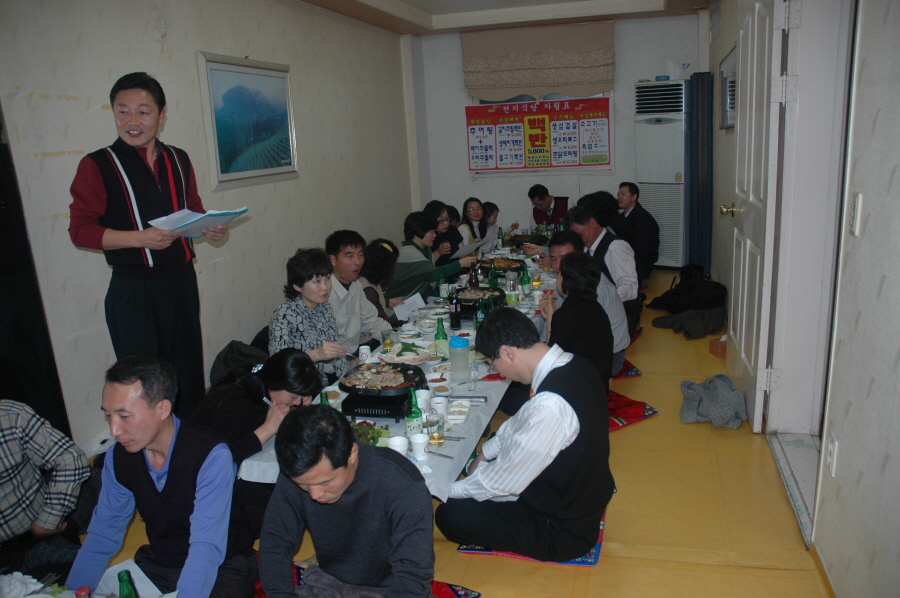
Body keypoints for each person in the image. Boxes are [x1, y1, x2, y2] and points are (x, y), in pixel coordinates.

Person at [68, 72, 229, 415]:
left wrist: (208, 228)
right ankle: (151, 444)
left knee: (186, 372)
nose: (132, 121)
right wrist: (140, 238)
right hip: (134, 291)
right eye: (122, 111)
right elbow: (80, 231)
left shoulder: (178, 159)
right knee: (144, 383)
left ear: (161, 114)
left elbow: (192, 211)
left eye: (143, 111)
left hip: (181, 281)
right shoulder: (97, 164)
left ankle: (191, 438)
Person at [435, 309, 614, 563]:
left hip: (561, 528)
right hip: (576, 492)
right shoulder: (575, 363)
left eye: (493, 363)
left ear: (508, 353)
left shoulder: (550, 406)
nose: (499, 372)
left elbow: (503, 482)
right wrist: (484, 454)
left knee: (450, 514)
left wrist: (445, 490)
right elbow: (520, 421)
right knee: (496, 444)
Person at [67, 356, 250, 597]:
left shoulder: (210, 455)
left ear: (162, 408)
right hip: (162, 563)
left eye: (124, 416)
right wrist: (71, 592)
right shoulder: (118, 457)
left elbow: (206, 547)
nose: (113, 429)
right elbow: (104, 532)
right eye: (108, 415)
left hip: (221, 566)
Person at [258, 405, 434, 597]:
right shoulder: (299, 473)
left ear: (352, 454)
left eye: (324, 482)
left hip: (390, 590)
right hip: (329, 584)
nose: (314, 494)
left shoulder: (401, 483)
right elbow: (275, 543)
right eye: (303, 485)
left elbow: (413, 575)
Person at [188, 349, 324, 559]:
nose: (297, 402)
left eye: (303, 397)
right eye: (293, 397)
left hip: (232, 472)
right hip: (198, 485)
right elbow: (218, 460)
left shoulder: (266, 391)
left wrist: (300, 409)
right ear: (274, 384)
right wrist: (267, 429)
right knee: (290, 501)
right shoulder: (236, 401)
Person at [1, 401, 90, 575]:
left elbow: (70, 458)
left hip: (38, 535)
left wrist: (48, 521)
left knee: (82, 574)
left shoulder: (10, 415)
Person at [547, 231, 630, 376]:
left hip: (608, 359)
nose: (558, 266)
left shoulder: (595, 287)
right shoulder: (577, 280)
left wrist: (551, 318)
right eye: (554, 259)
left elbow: (554, 353)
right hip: (589, 353)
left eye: (565, 259)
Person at [269, 248, 349, 385]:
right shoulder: (284, 313)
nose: (325, 287)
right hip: (298, 386)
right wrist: (316, 354)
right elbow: (278, 364)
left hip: (323, 381)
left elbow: (335, 349)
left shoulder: (325, 306)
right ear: (297, 286)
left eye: (327, 278)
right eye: (317, 281)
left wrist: (347, 379)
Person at [567, 196, 641, 334]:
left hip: (619, 318)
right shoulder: (587, 247)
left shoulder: (615, 247)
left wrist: (598, 302)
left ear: (593, 222)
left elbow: (630, 288)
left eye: (581, 234)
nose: (580, 239)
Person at [539, 252, 614, 380]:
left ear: (565, 280)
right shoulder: (595, 307)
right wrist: (553, 317)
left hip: (579, 386)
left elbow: (549, 362)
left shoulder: (567, 313)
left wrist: (552, 318)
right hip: (599, 383)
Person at [325, 230, 393, 354]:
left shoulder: (355, 285)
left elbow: (373, 322)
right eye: (350, 256)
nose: (357, 262)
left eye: (360, 255)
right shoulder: (324, 292)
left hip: (354, 356)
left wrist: (395, 340)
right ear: (333, 260)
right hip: (335, 360)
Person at [387, 212, 477, 301]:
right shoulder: (408, 252)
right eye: (431, 232)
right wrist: (460, 264)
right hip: (400, 303)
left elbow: (431, 283)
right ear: (419, 231)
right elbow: (432, 274)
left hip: (419, 300)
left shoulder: (426, 250)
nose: (434, 235)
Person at [617, 182, 660, 281]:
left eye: (623, 194)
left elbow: (643, 249)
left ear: (634, 197)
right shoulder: (622, 217)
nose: (619, 197)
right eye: (618, 194)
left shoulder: (643, 219)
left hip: (639, 266)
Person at [359, 239, 404, 329]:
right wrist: (410, 322)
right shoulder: (368, 289)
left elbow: (374, 302)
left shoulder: (370, 279)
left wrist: (387, 302)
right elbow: (382, 321)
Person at [424, 200, 461, 268]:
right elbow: (426, 266)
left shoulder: (452, 229)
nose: (446, 223)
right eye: (441, 220)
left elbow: (461, 249)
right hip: (439, 272)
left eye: (447, 218)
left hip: (458, 269)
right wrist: (438, 252)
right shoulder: (427, 236)